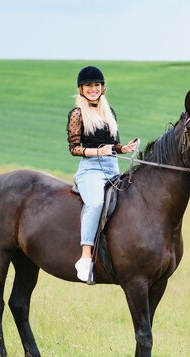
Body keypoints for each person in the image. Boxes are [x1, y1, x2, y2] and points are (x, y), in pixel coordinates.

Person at [67, 66, 137, 282]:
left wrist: (123, 149)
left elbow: (112, 145)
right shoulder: (77, 114)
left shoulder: (109, 112)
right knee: (96, 203)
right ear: (81, 89)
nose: (93, 89)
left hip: (112, 168)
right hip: (91, 170)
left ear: (103, 88)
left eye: (96, 85)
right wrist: (98, 151)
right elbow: (74, 148)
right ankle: (86, 257)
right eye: (88, 85)